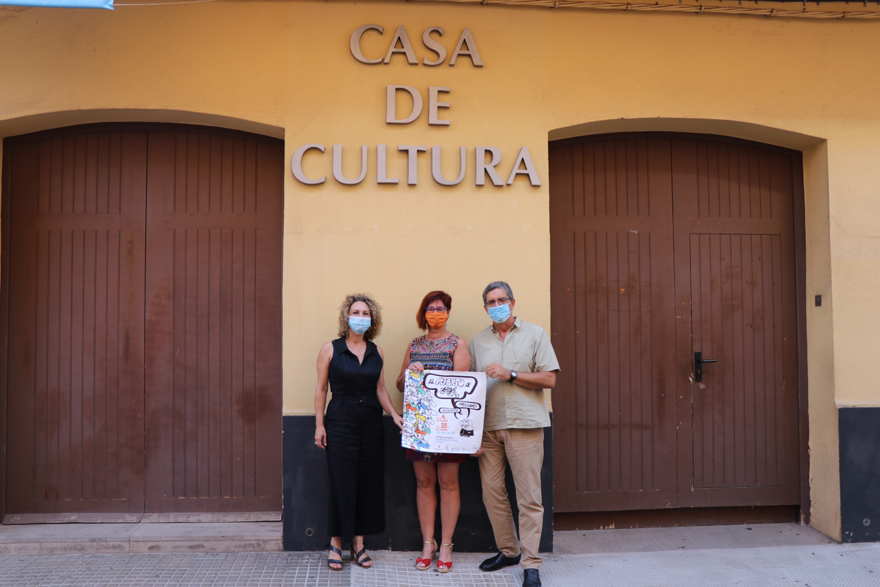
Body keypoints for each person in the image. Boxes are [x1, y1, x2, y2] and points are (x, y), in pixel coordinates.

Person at [469, 281, 559, 587]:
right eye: (491, 302)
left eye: (502, 300)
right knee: (492, 493)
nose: (497, 305)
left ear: (512, 302)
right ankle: (509, 551)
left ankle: (531, 563)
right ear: (485, 308)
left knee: (529, 497)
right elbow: (471, 388)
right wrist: (468, 435)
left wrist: (512, 374)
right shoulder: (478, 341)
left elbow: (549, 379)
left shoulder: (535, 334)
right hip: (489, 427)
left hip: (525, 425)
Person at [314, 293, 403, 571]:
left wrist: (395, 415)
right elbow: (321, 389)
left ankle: (359, 543)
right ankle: (336, 542)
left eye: (366, 313)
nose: (360, 317)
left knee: (367, 483)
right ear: (346, 316)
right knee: (341, 481)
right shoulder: (330, 349)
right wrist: (319, 424)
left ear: (372, 320)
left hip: (371, 424)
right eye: (356, 312)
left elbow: (381, 390)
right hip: (340, 421)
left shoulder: (377, 352)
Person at [395, 291, 470, 574]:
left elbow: (464, 385)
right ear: (423, 312)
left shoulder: (457, 344)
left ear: (448, 312)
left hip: (448, 426)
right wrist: (410, 372)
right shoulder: (414, 345)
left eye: (441, 308)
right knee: (424, 482)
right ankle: (428, 543)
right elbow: (400, 384)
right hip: (419, 425)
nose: (436, 313)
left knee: (449, 483)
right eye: (431, 308)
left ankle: (447, 544)